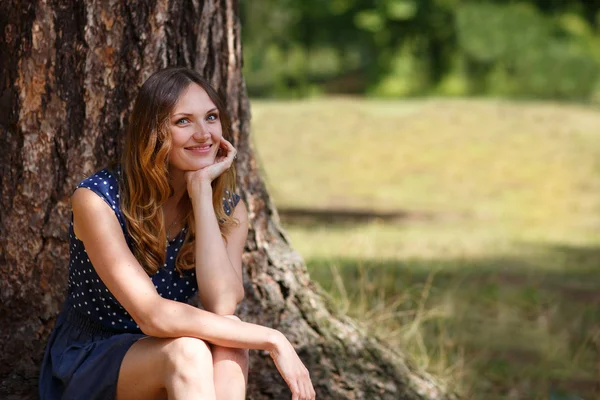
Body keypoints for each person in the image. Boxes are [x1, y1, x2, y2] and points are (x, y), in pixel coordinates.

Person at [39, 67, 316, 400]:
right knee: (192, 350)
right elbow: (153, 316)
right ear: (153, 132)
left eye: (211, 117)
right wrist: (274, 338)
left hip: (172, 351)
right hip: (94, 357)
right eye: (183, 121)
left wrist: (200, 192)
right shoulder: (98, 200)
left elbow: (222, 302)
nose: (203, 134)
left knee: (230, 342)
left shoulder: (229, 207)